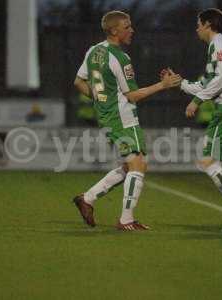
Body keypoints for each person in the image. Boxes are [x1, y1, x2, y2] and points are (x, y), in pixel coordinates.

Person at [73, 10, 182, 231]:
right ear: (114, 31)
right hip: (123, 119)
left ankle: (88, 198)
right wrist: (163, 85)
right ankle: (126, 219)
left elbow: (78, 82)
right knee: (138, 165)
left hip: (109, 116)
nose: (132, 30)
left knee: (131, 164)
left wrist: (99, 101)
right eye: (127, 27)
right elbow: (132, 96)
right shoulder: (121, 58)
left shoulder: (94, 51)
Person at [166, 8, 222, 233]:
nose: (196, 29)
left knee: (207, 159)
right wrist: (181, 83)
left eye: (198, 24)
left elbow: (221, 80)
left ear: (207, 24)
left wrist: (196, 101)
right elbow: (209, 82)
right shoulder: (218, 46)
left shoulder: (219, 44)